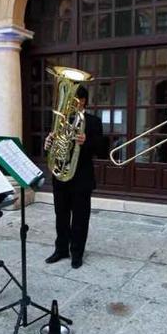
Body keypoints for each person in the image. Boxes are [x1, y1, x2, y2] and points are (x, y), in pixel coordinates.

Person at [44, 86, 106, 269]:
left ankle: (77, 253)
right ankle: (61, 249)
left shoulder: (94, 121)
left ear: (83, 100)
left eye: (74, 98)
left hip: (81, 178)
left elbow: (102, 149)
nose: (70, 102)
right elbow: (55, 146)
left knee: (80, 218)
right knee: (60, 217)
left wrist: (87, 141)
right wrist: (48, 144)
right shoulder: (60, 120)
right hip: (60, 177)